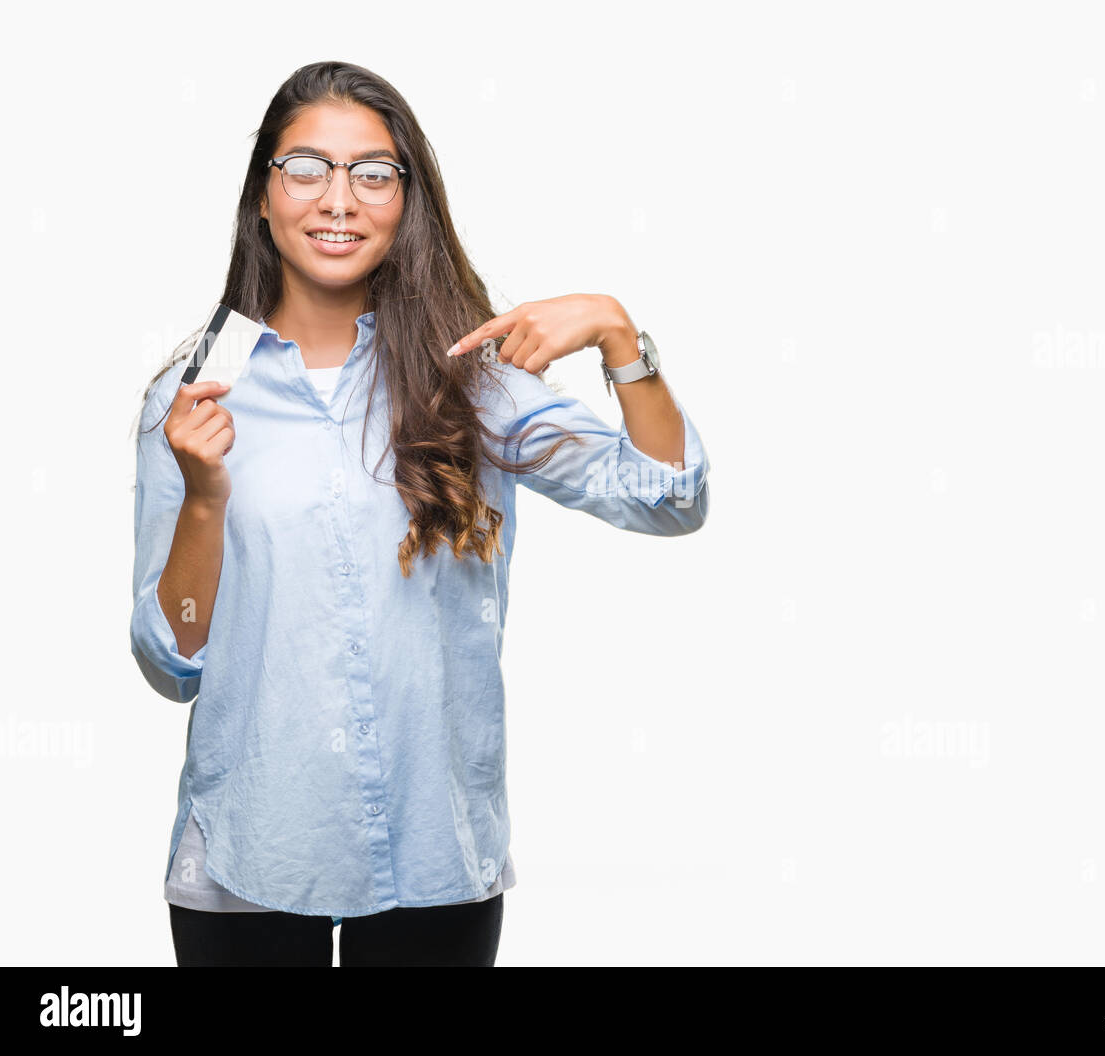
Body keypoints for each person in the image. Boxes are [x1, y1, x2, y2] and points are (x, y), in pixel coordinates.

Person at [130, 61, 711, 967]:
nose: (339, 199)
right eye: (307, 167)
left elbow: (669, 500)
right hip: (249, 854)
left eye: (373, 172)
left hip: (434, 857)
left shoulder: (474, 387)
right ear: (262, 196)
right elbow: (172, 662)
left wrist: (616, 335)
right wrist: (206, 498)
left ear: (407, 202)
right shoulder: (192, 397)